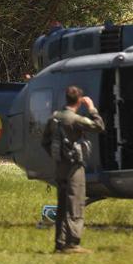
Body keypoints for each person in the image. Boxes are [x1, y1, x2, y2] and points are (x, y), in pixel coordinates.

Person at [41, 85, 105, 254]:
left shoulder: (54, 118)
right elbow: (99, 126)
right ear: (78, 101)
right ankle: (73, 243)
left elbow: (45, 142)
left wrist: (57, 156)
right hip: (74, 167)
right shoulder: (75, 119)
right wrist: (91, 108)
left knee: (62, 205)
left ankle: (59, 243)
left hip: (60, 167)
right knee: (75, 204)